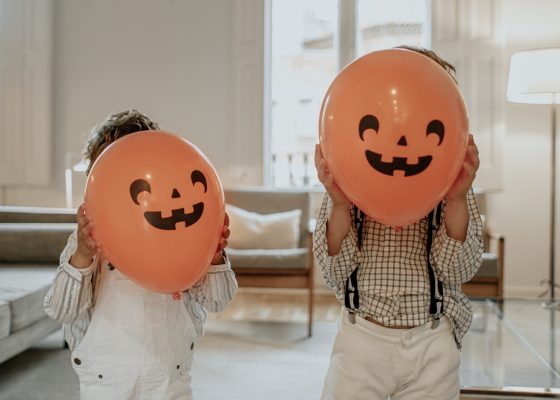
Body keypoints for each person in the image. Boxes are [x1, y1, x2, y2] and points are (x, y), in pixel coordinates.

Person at [313, 47, 483, 400]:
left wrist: (455, 198)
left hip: (431, 340)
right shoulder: (352, 175)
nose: (405, 138)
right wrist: (341, 205)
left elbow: (456, 269)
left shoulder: (451, 182)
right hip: (362, 339)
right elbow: (333, 270)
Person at [44, 109, 237, 400]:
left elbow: (219, 300)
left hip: (170, 378)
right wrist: (83, 255)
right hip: (106, 380)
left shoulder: (184, 229)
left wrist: (212, 258)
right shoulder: (88, 237)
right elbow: (60, 309)